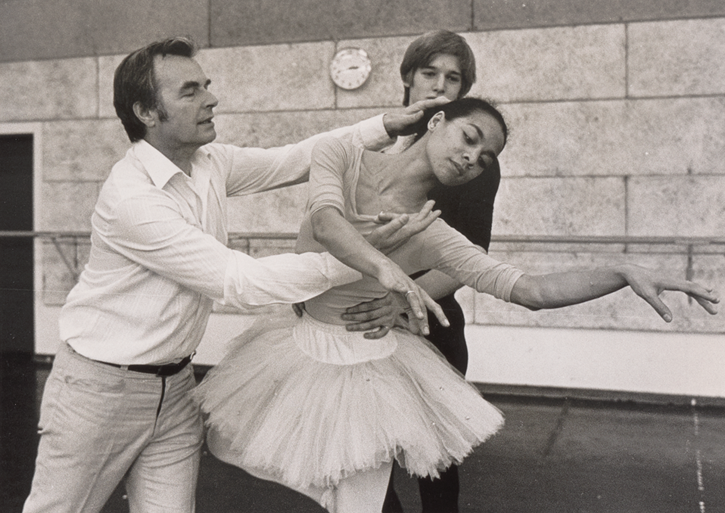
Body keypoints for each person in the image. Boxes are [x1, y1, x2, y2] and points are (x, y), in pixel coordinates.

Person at [193, 97, 719, 513]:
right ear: (438, 120)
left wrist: (621, 271)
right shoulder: (343, 155)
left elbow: (529, 290)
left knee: (360, 500)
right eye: (470, 138)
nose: (473, 158)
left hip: (365, 367)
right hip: (294, 344)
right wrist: (388, 269)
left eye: (485, 158)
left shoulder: (436, 233)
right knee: (227, 445)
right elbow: (328, 222)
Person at [21, 36, 449, 513]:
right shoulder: (132, 199)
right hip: (99, 393)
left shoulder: (210, 163)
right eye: (190, 91)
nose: (211, 98)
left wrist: (384, 125)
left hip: (178, 386)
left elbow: (295, 158)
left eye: (206, 85)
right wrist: (360, 259)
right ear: (145, 111)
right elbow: (238, 281)